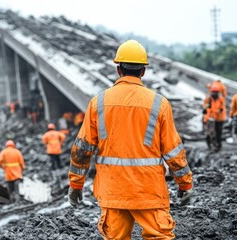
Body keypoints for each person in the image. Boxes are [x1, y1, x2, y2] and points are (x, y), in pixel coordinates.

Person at [68, 40, 193, 239]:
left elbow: (82, 150)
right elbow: (173, 151)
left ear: (118, 69)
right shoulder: (159, 104)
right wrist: (184, 184)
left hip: (113, 191)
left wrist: (76, 184)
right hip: (148, 192)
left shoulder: (98, 103)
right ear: (143, 71)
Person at [202, 83, 226, 151]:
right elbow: (204, 107)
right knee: (209, 133)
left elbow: (222, 108)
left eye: (216, 92)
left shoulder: (221, 99)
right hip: (210, 118)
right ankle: (210, 145)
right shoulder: (208, 98)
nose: (215, 93)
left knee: (218, 132)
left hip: (219, 119)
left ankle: (218, 145)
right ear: (211, 92)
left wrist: (219, 111)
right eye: (213, 92)